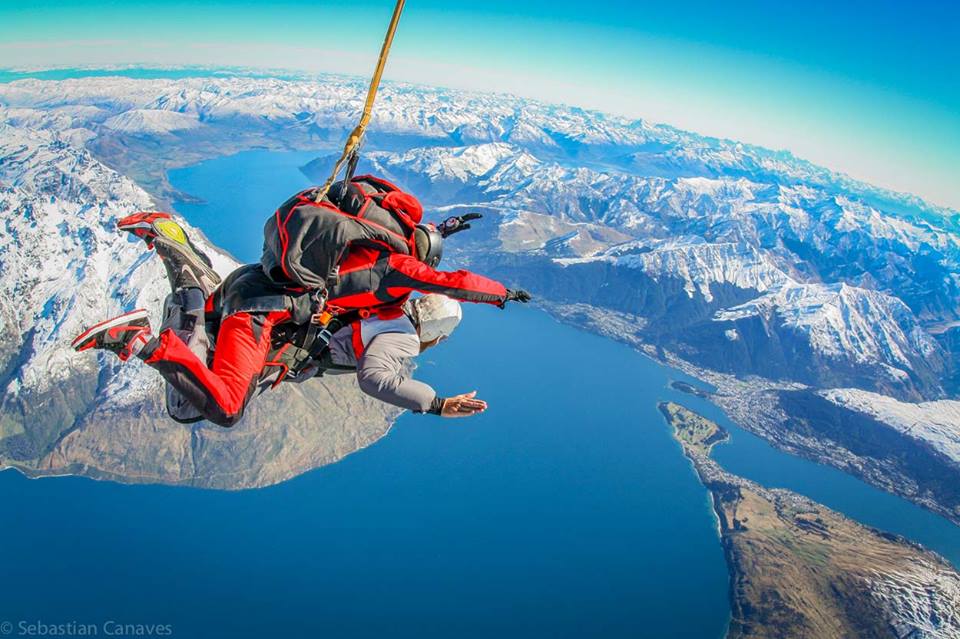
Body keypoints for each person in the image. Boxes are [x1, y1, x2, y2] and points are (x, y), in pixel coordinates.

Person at [72, 181, 528, 426]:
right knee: (217, 406)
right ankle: (139, 342)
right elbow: (449, 283)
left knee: (210, 319)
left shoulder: (368, 266)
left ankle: (171, 240)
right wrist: (436, 403)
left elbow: (430, 266)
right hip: (263, 315)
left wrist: (442, 230)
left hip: (254, 279)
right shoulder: (396, 313)